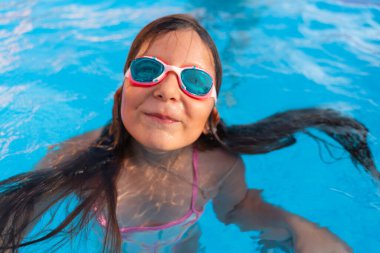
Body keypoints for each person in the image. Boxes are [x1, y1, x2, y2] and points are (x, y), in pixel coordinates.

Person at [0, 14, 378, 253]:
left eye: (194, 81)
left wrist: (298, 229)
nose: (167, 90)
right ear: (122, 92)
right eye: (149, 70)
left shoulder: (219, 166)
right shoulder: (78, 156)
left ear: (210, 113)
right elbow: (22, 210)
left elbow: (240, 209)